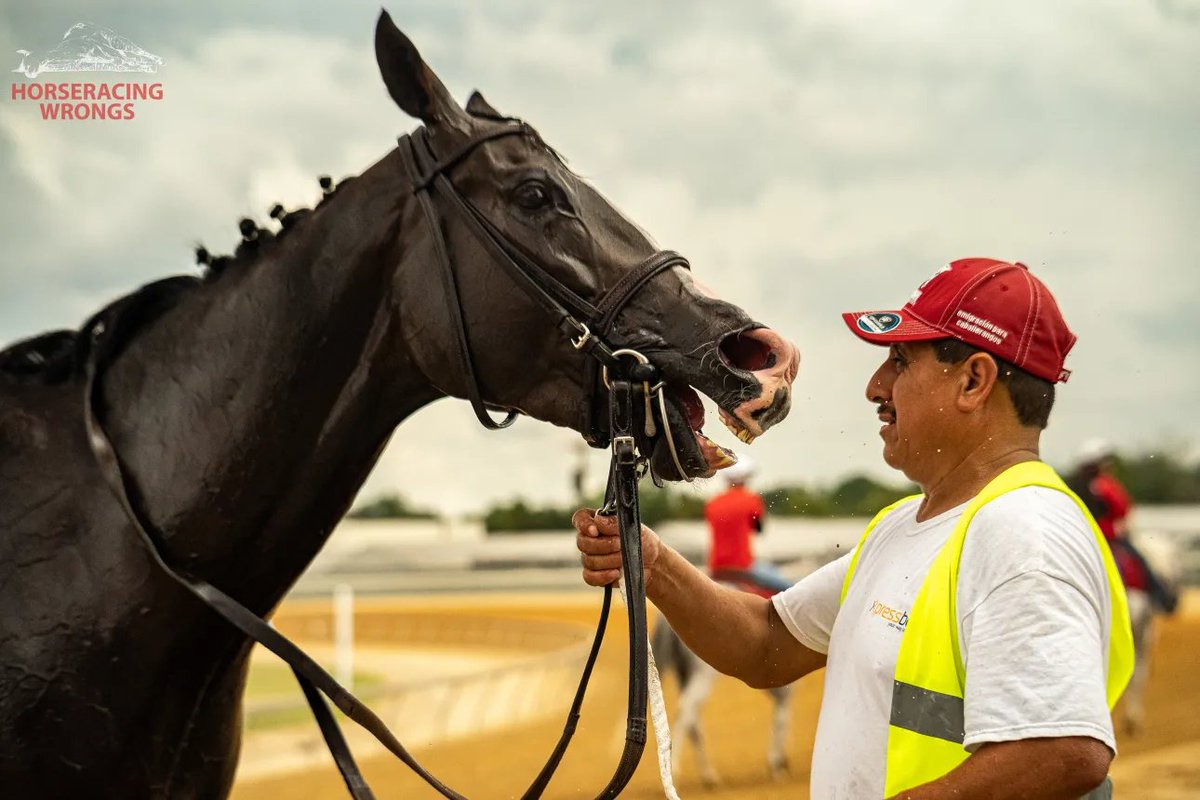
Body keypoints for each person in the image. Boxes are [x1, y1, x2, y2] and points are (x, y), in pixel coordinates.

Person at [575, 258, 1134, 799]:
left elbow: (1062, 750)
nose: (874, 386)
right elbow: (768, 642)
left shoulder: (1023, 531)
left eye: (900, 361)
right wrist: (656, 567)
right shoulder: (902, 526)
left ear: (974, 381)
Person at [703, 455, 791, 595]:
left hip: (716, 566)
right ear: (745, 478)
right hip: (743, 565)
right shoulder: (752, 499)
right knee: (789, 588)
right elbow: (758, 529)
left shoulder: (712, 503)